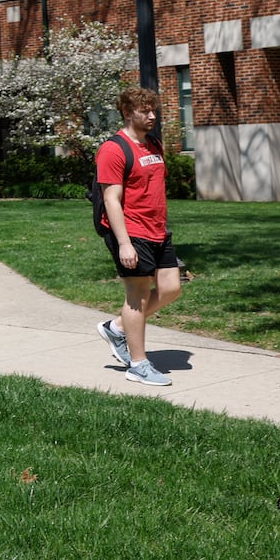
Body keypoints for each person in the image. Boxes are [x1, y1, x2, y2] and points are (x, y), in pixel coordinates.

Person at [95, 86, 182, 386]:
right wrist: (124, 243)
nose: (152, 116)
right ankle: (139, 364)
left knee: (171, 288)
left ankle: (117, 327)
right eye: (145, 111)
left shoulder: (153, 144)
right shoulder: (114, 149)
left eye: (153, 110)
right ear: (127, 112)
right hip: (131, 232)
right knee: (138, 297)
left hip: (157, 230)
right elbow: (111, 199)